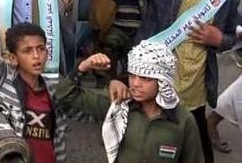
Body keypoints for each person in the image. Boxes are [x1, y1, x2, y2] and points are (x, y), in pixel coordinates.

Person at [108, 0, 239, 163]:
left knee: (197, 152)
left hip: (193, 90)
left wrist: (218, 39)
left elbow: (230, 37)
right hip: (154, 87)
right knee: (149, 149)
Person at [55, 41, 204, 163]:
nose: (136, 84)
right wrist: (83, 68)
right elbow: (65, 94)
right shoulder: (117, 106)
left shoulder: (183, 121)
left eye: (145, 78)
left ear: (162, 81)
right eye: (132, 76)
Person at [0, 0, 68, 163]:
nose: (36, 56)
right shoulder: (3, 79)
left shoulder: (54, 88)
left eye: (41, 48)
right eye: (27, 51)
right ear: (13, 58)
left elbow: (83, 111)